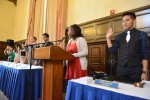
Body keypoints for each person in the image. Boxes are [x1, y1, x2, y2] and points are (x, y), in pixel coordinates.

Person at [106, 12, 149, 82]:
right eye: (123, 21)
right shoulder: (119, 36)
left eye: (127, 20)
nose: (124, 23)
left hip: (136, 70)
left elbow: (145, 55)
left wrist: (144, 72)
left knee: (135, 91)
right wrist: (108, 38)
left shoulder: (142, 35)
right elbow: (112, 51)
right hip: (121, 69)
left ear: (134, 21)